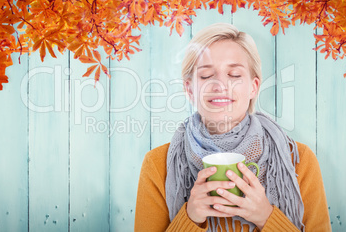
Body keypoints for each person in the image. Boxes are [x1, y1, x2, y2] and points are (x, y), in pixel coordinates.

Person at [134, 23, 331, 231]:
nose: (220, 85)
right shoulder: (157, 165)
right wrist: (190, 218)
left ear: (253, 87)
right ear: (189, 89)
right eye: (206, 75)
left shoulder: (298, 161)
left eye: (235, 75)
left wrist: (266, 217)